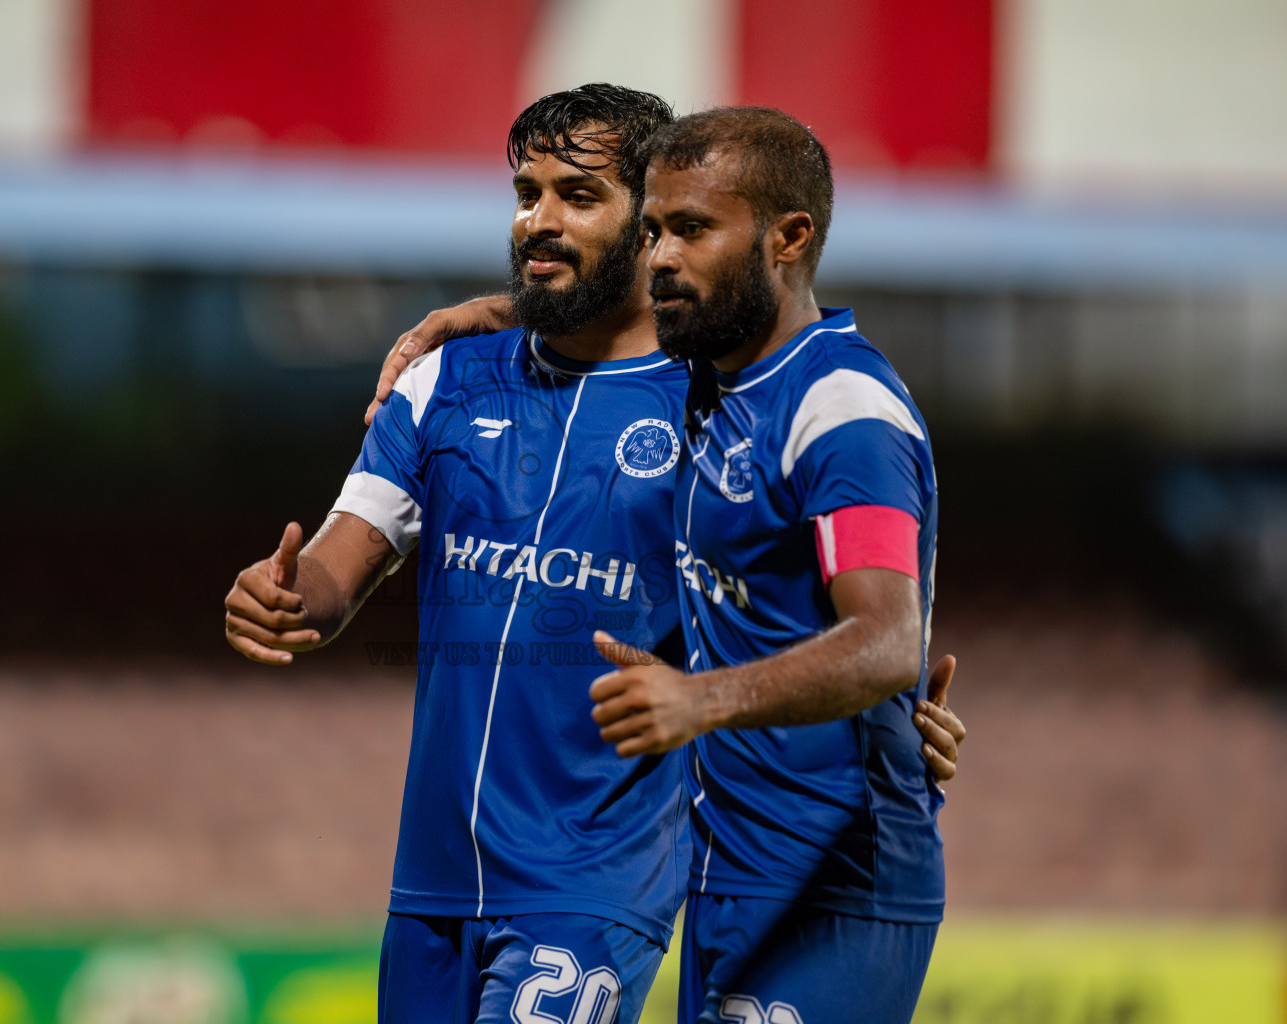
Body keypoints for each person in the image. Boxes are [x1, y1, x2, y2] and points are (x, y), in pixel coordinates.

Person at [227, 85, 963, 1024]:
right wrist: (287, 595)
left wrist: (886, 719)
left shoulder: (723, 403)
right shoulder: (444, 380)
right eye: (526, 193)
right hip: (434, 879)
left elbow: (842, 607)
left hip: (605, 879)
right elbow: (335, 572)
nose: (539, 219)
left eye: (579, 197)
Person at [587, 107, 945, 1023]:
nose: (661, 257)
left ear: (790, 238)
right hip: (727, 871)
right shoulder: (716, 380)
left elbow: (885, 640)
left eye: (693, 228)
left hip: (835, 884)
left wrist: (698, 700)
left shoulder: (842, 410)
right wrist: (468, 316)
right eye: (654, 230)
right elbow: (588, 324)